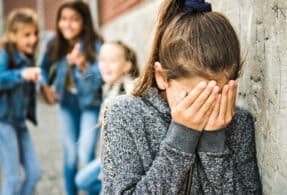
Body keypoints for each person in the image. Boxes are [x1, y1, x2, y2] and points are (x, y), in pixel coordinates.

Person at [102, 0, 262, 194]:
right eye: (194, 97)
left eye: (216, 94)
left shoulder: (238, 122)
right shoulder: (125, 114)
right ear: (162, 77)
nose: (204, 107)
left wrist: (214, 144)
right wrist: (181, 138)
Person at [37, 1, 103, 194]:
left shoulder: (95, 43)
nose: (68, 24)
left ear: (85, 22)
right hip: (67, 104)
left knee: (85, 154)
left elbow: (100, 78)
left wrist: (83, 66)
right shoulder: (53, 42)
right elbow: (41, 68)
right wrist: (44, 87)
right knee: (71, 157)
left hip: (90, 104)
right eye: (64, 19)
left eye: (74, 20)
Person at [75, 40, 140, 195]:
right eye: (102, 60)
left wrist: (109, 169)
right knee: (82, 180)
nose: (105, 65)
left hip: (124, 162)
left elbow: (131, 141)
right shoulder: (110, 89)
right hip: (110, 157)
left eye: (112, 60)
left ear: (127, 65)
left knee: (91, 183)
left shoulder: (129, 94)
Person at [0, 8, 41, 195]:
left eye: (35, 33)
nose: (33, 39)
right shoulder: (3, 54)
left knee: (34, 173)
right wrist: (22, 74)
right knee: (12, 178)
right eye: (27, 34)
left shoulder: (28, 57)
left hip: (19, 124)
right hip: (3, 124)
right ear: (12, 35)